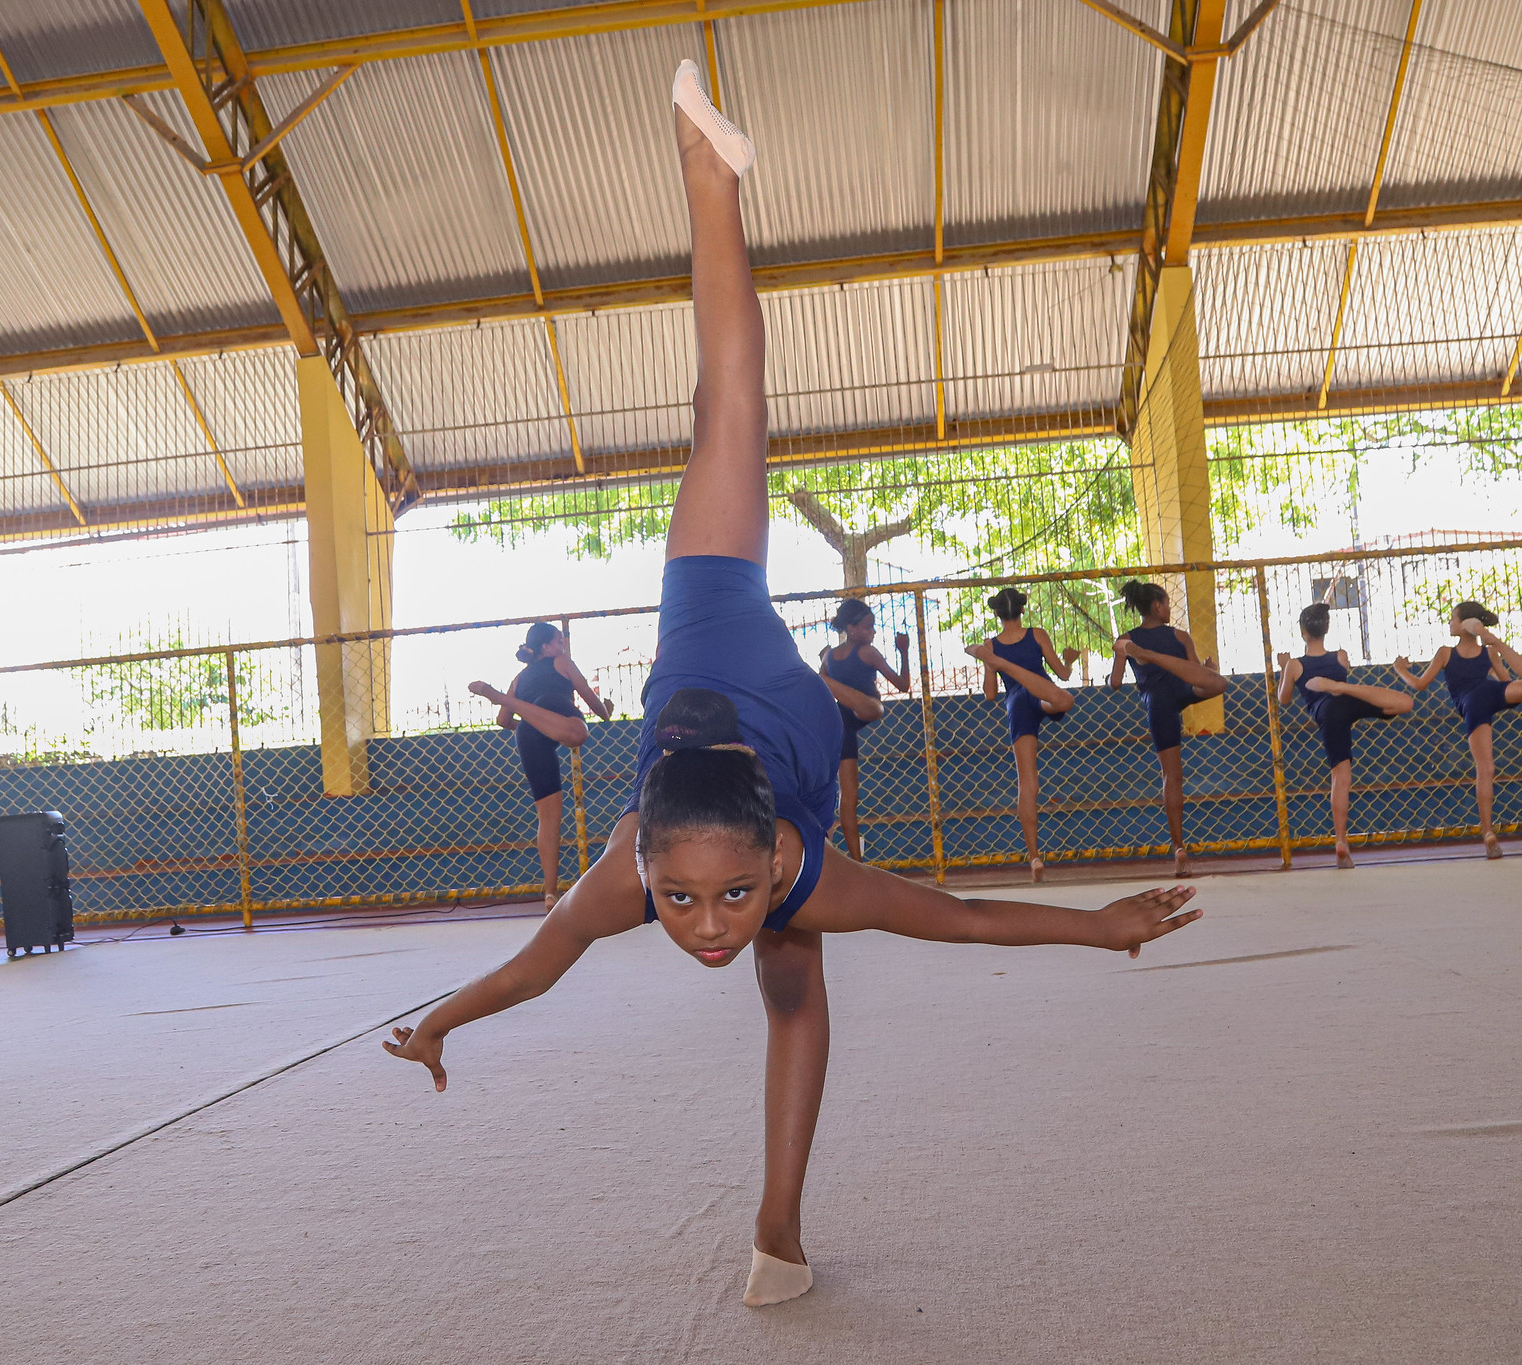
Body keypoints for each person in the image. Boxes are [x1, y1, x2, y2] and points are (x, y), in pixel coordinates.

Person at [384, 62, 1203, 1311]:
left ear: (773, 859)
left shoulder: (794, 872)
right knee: (791, 975)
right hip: (791, 729)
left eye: (727, 897)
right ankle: (782, 1221)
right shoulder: (651, 871)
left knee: (731, 410)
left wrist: (1104, 927)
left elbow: (969, 918)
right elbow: (533, 965)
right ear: (644, 867)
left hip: (715, 633)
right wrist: (444, 1020)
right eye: (682, 902)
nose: (706, 924)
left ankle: (705, 170)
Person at [469, 623, 614, 909]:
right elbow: (587, 694)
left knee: (548, 818)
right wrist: (605, 713)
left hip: (529, 732)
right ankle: (499, 697)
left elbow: (502, 722)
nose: (563, 646)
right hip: (556, 712)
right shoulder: (561, 662)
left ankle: (550, 893)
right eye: (559, 641)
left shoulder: (519, 678)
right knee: (578, 734)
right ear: (547, 647)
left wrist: (528, 721)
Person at [1391, 600, 1522, 859]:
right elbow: (1506, 683)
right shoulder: (1459, 654)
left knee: (1485, 769)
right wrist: (1511, 687)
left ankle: (1487, 832)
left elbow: (1419, 685)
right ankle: (1488, 832)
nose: (1450, 623)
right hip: (1487, 696)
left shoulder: (1448, 652)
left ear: (1465, 625)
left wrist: (1399, 670)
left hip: (1476, 701)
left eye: (1453, 619)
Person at [1274, 602, 1413, 869]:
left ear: (1304, 632)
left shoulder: (1295, 665)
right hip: (1347, 702)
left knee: (1341, 774)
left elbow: (1284, 699)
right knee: (1403, 702)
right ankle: (1341, 688)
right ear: (1325, 630)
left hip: (1328, 712)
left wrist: (1283, 668)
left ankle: (1341, 841)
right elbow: (1341, 666)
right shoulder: (1340, 656)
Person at [1108, 580, 1229, 877]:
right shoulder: (1180, 636)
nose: (1169, 609)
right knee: (1217, 682)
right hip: (1181, 690)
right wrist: (1209, 670)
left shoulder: (1125, 639)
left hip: (1157, 701)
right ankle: (1179, 847)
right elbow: (1196, 673)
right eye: (1167, 604)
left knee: (1171, 776)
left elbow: (1114, 683)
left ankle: (1178, 846)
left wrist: (1128, 657)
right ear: (1157, 606)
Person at [962, 587, 1079, 881]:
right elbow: (1063, 675)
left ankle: (1035, 857)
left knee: (1027, 782)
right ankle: (1036, 858)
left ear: (997, 613)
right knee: (1064, 699)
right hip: (1042, 695)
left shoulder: (990, 645)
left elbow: (990, 695)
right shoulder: (1037, 635)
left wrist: (991, 663)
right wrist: (1069, 660)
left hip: (1018, 703)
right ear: (1023, 610)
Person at [816, 598, 911, 861]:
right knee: (849, 796)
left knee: (849, 795)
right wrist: (904, 651)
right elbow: (903, 684)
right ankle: (856, 861)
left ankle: (856, 861)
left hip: (846, 716)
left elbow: (901, 687)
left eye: (873, 627)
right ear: (851, 627)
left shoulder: (832, 656)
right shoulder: (865, 652)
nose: (872, 632)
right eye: (868, 627)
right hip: (847, 721)